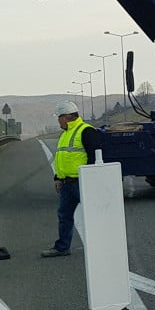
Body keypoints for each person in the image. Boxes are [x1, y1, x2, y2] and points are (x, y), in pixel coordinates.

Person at [42, 100, 99, 257]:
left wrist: (90, 179)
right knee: (64, 215)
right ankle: (62, 247)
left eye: (59, 118)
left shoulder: (86, 131)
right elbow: (61, 158)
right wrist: (57, 177)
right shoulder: (65, 134)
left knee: (93, 214)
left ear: (66, 117)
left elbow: (95, 156)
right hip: (67, 183)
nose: (58, 121)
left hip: (82, 182)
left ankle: (100, 246)